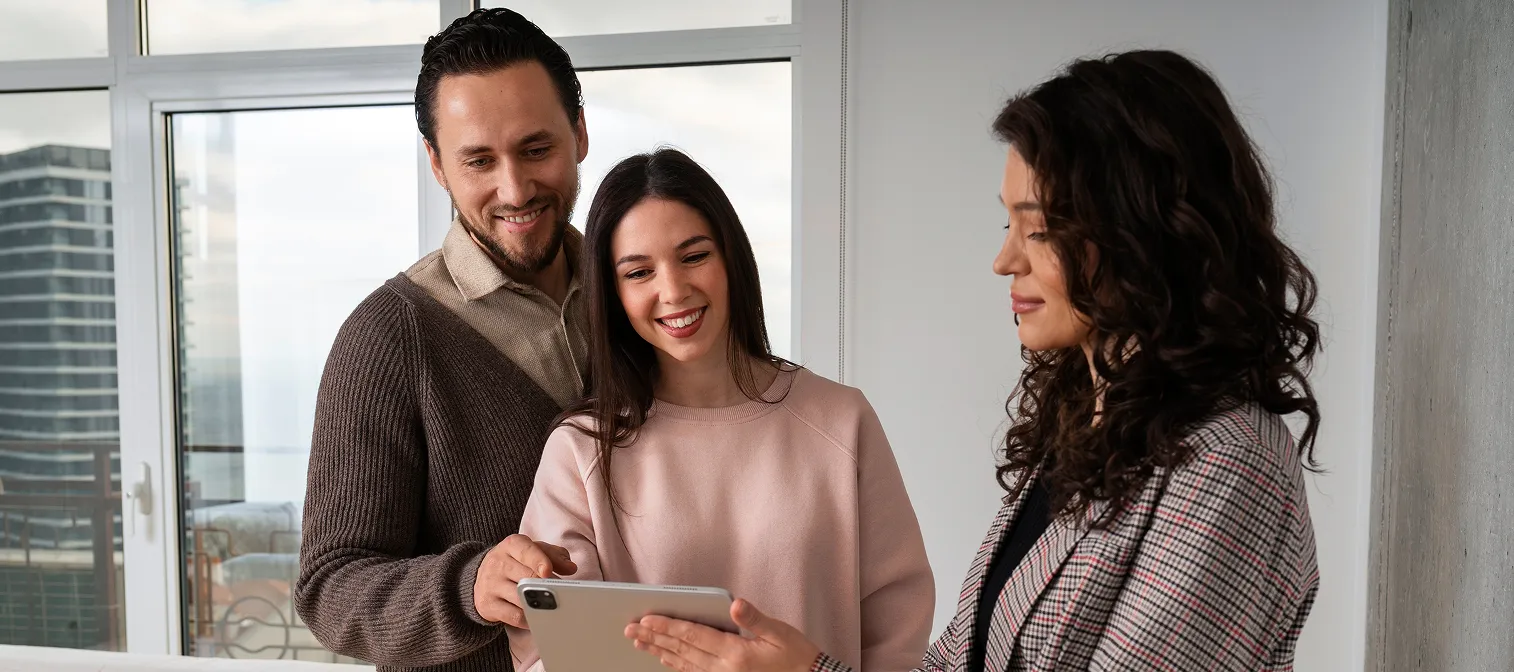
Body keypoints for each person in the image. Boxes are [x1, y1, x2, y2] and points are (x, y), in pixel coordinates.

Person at [624, 49, 1322, 672]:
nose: (1004, 260)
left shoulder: (1231, 464)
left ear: (1142, 233)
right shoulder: (1086, 434)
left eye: (1039, 228)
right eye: (1007, 223)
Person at [502, 148, 936, 672]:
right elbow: (547, 648)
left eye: (693, 256)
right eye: (639, 272)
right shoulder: (581, 448)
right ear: (612, 294)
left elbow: (897, 628)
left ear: (731, 257)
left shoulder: (842, 420)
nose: (674, 290)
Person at [294, 8, 596, 671]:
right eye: (480, 160)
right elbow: (330, 589)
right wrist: (470, 585)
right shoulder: (388, 336)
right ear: (436, 164)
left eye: (536, 148)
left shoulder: (639, 299)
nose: (514, 188)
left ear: (579, 132)